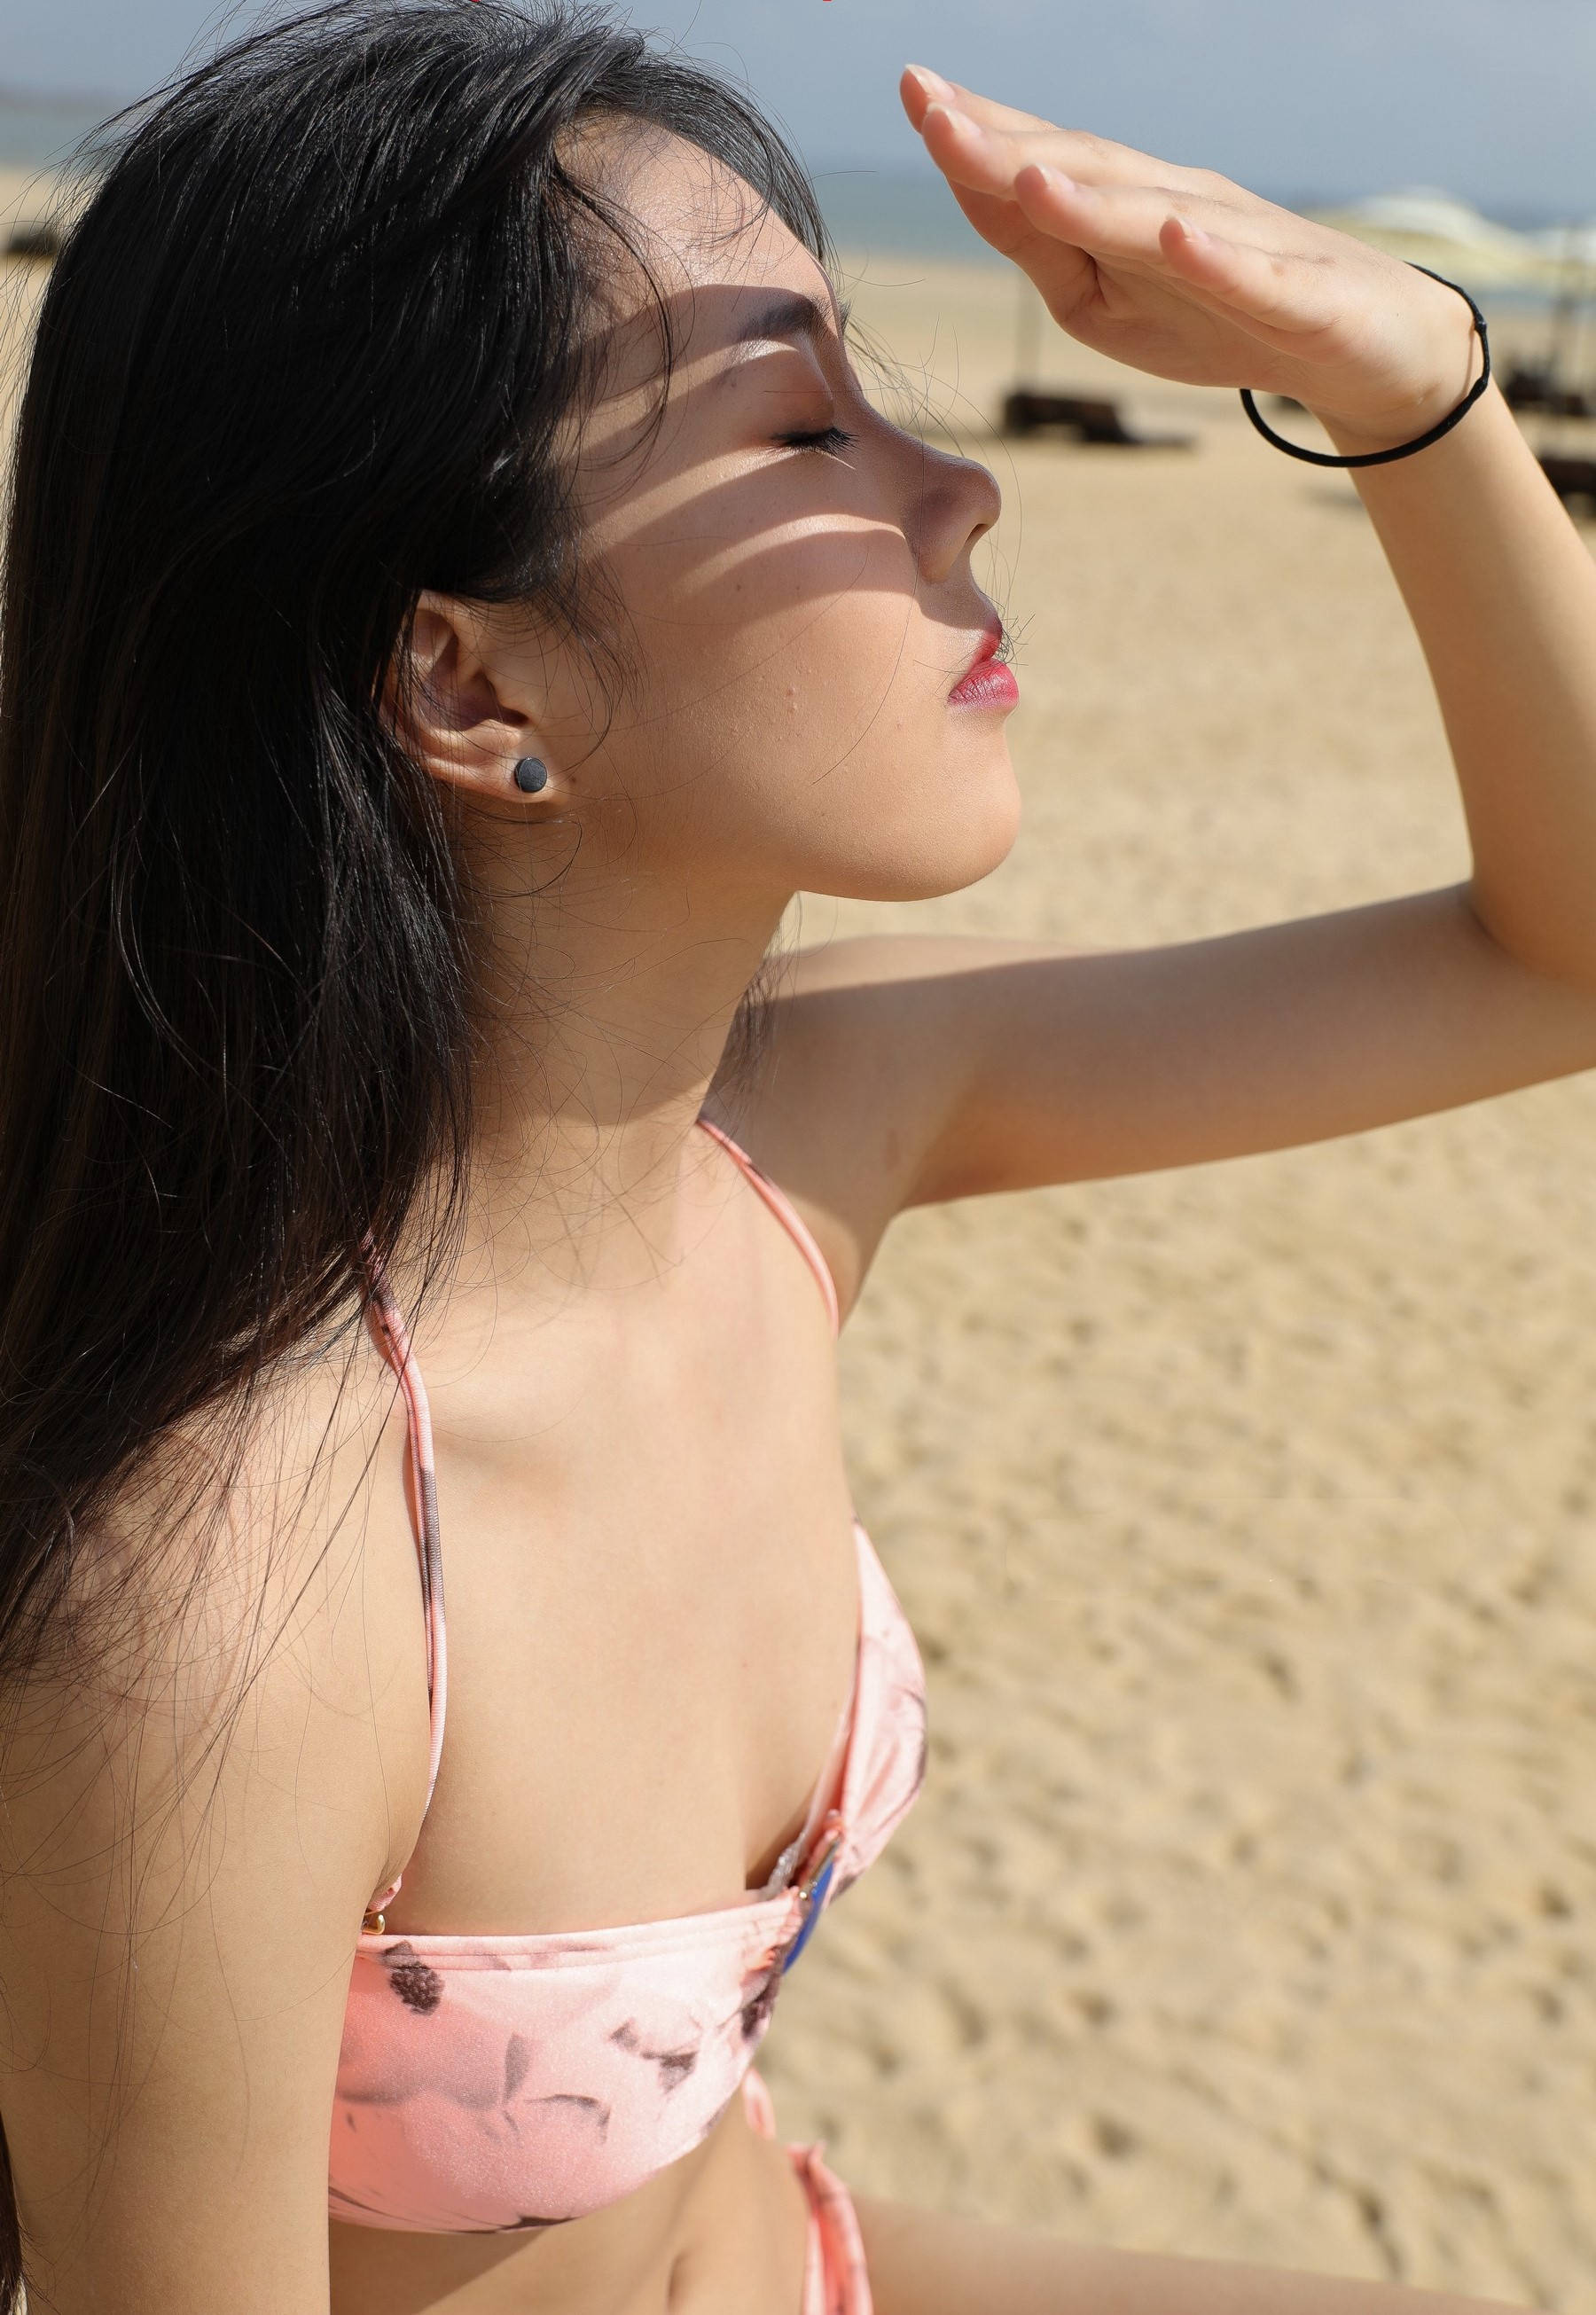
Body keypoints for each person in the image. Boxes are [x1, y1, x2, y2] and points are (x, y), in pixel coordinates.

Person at [1, 3, 1592, 2310]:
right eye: (805, 424)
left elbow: (1564, 957)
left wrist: (1406, 382)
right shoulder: (233, 1594)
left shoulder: (796, 1137)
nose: (962, 490)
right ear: (473, 681)